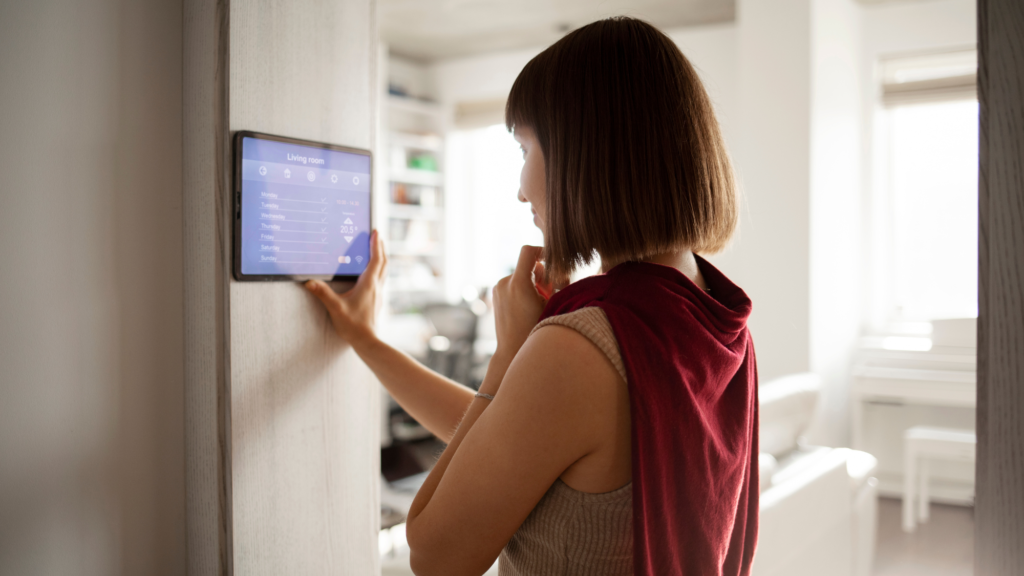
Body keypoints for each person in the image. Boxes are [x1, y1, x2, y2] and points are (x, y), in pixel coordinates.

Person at [305, 16, 758, 576]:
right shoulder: (707, 309)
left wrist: (507, 358)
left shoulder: (582, 347)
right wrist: (365, 340)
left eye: (524, 149)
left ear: (587, 154)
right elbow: (507, 441)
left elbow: (432, 554)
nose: (521, 188)